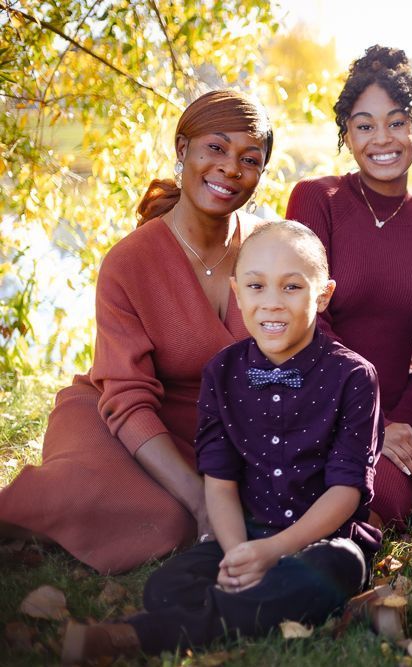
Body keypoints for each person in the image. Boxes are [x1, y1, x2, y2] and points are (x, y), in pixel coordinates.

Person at [61, 220, 382, 662]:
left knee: (331, 570)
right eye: (256, 286)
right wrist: (237, 554)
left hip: (324, 539)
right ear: (237, 291)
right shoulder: (221, 373)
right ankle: (316, 609)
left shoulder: (354, 377)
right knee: (166, 586)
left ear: (322, 295)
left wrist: (274, 551)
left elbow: (346, 490)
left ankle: (135, 637)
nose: (271, 303)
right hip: (246, 529)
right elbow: (220, 477)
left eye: (292, 288)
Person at [0, 90, 272, 574]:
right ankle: (19, 516)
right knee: (167, 521)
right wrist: (201, 501)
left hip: (216, 436)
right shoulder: (130, 262)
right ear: (183, 149)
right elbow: (125, 397)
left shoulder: (270, 248)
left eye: (248, 159)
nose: (231, 168)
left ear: (261, 173)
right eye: (216, 148)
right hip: (123, 420)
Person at [286, 45, 412, 528]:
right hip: (315, 397)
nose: (382, 139)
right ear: (346, 134)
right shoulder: (316, 199)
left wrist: (399, 421)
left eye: (396, 122)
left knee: (387, 496)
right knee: (307, 484)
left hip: (392, 416)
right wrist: (373, 420)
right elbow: (306, 320)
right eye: (364, 125)